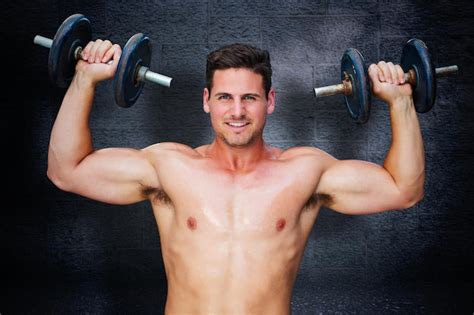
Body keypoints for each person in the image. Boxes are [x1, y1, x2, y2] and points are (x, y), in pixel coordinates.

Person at [47, 39, 425, 314]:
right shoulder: (169, 167)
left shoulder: (304, 172)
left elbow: (403, 189)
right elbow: (67, 170)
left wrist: (401, 101)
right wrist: (85, 78)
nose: (237, 111)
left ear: (270, 101)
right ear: (207, 101)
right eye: (225, 97)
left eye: (250, 98)